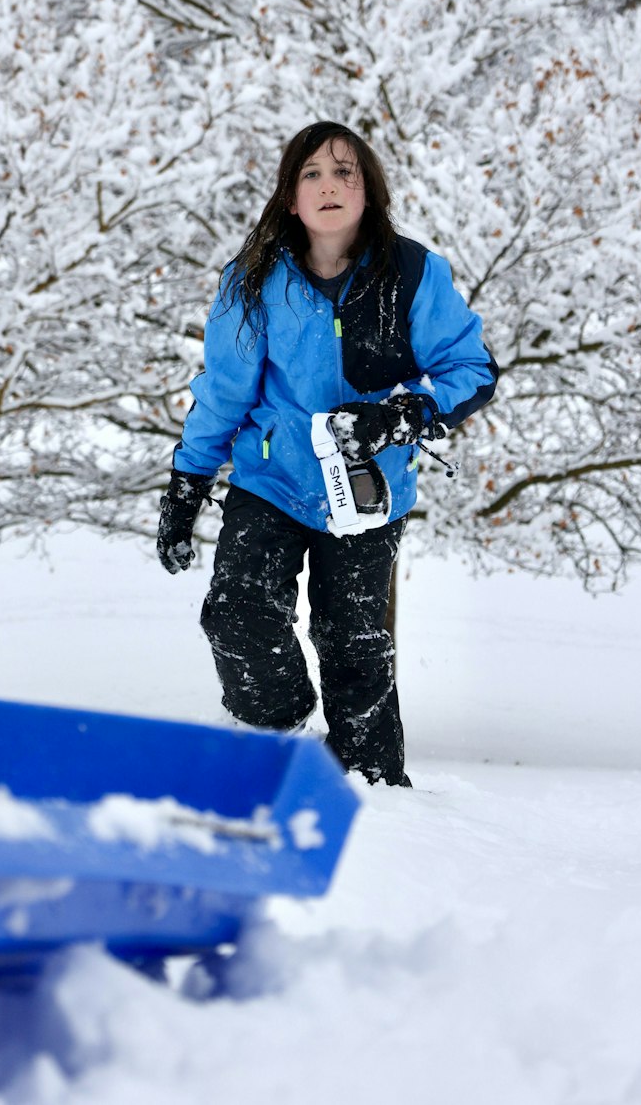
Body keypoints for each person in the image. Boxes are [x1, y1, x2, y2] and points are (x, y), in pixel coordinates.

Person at [156, 121, 499, 785]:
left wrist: (404, 412)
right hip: (271, 479)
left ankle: (374, 790)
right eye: (311, 173)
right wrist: (186, 485)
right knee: (236, 612)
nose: (329, 185)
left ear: (368, 190)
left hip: (367, 493)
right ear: (290, 197)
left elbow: (473, 369)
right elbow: (223, 394)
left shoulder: (413, 274)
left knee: (353, 647)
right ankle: (277, 732)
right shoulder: (252, 282)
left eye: (345, 171)